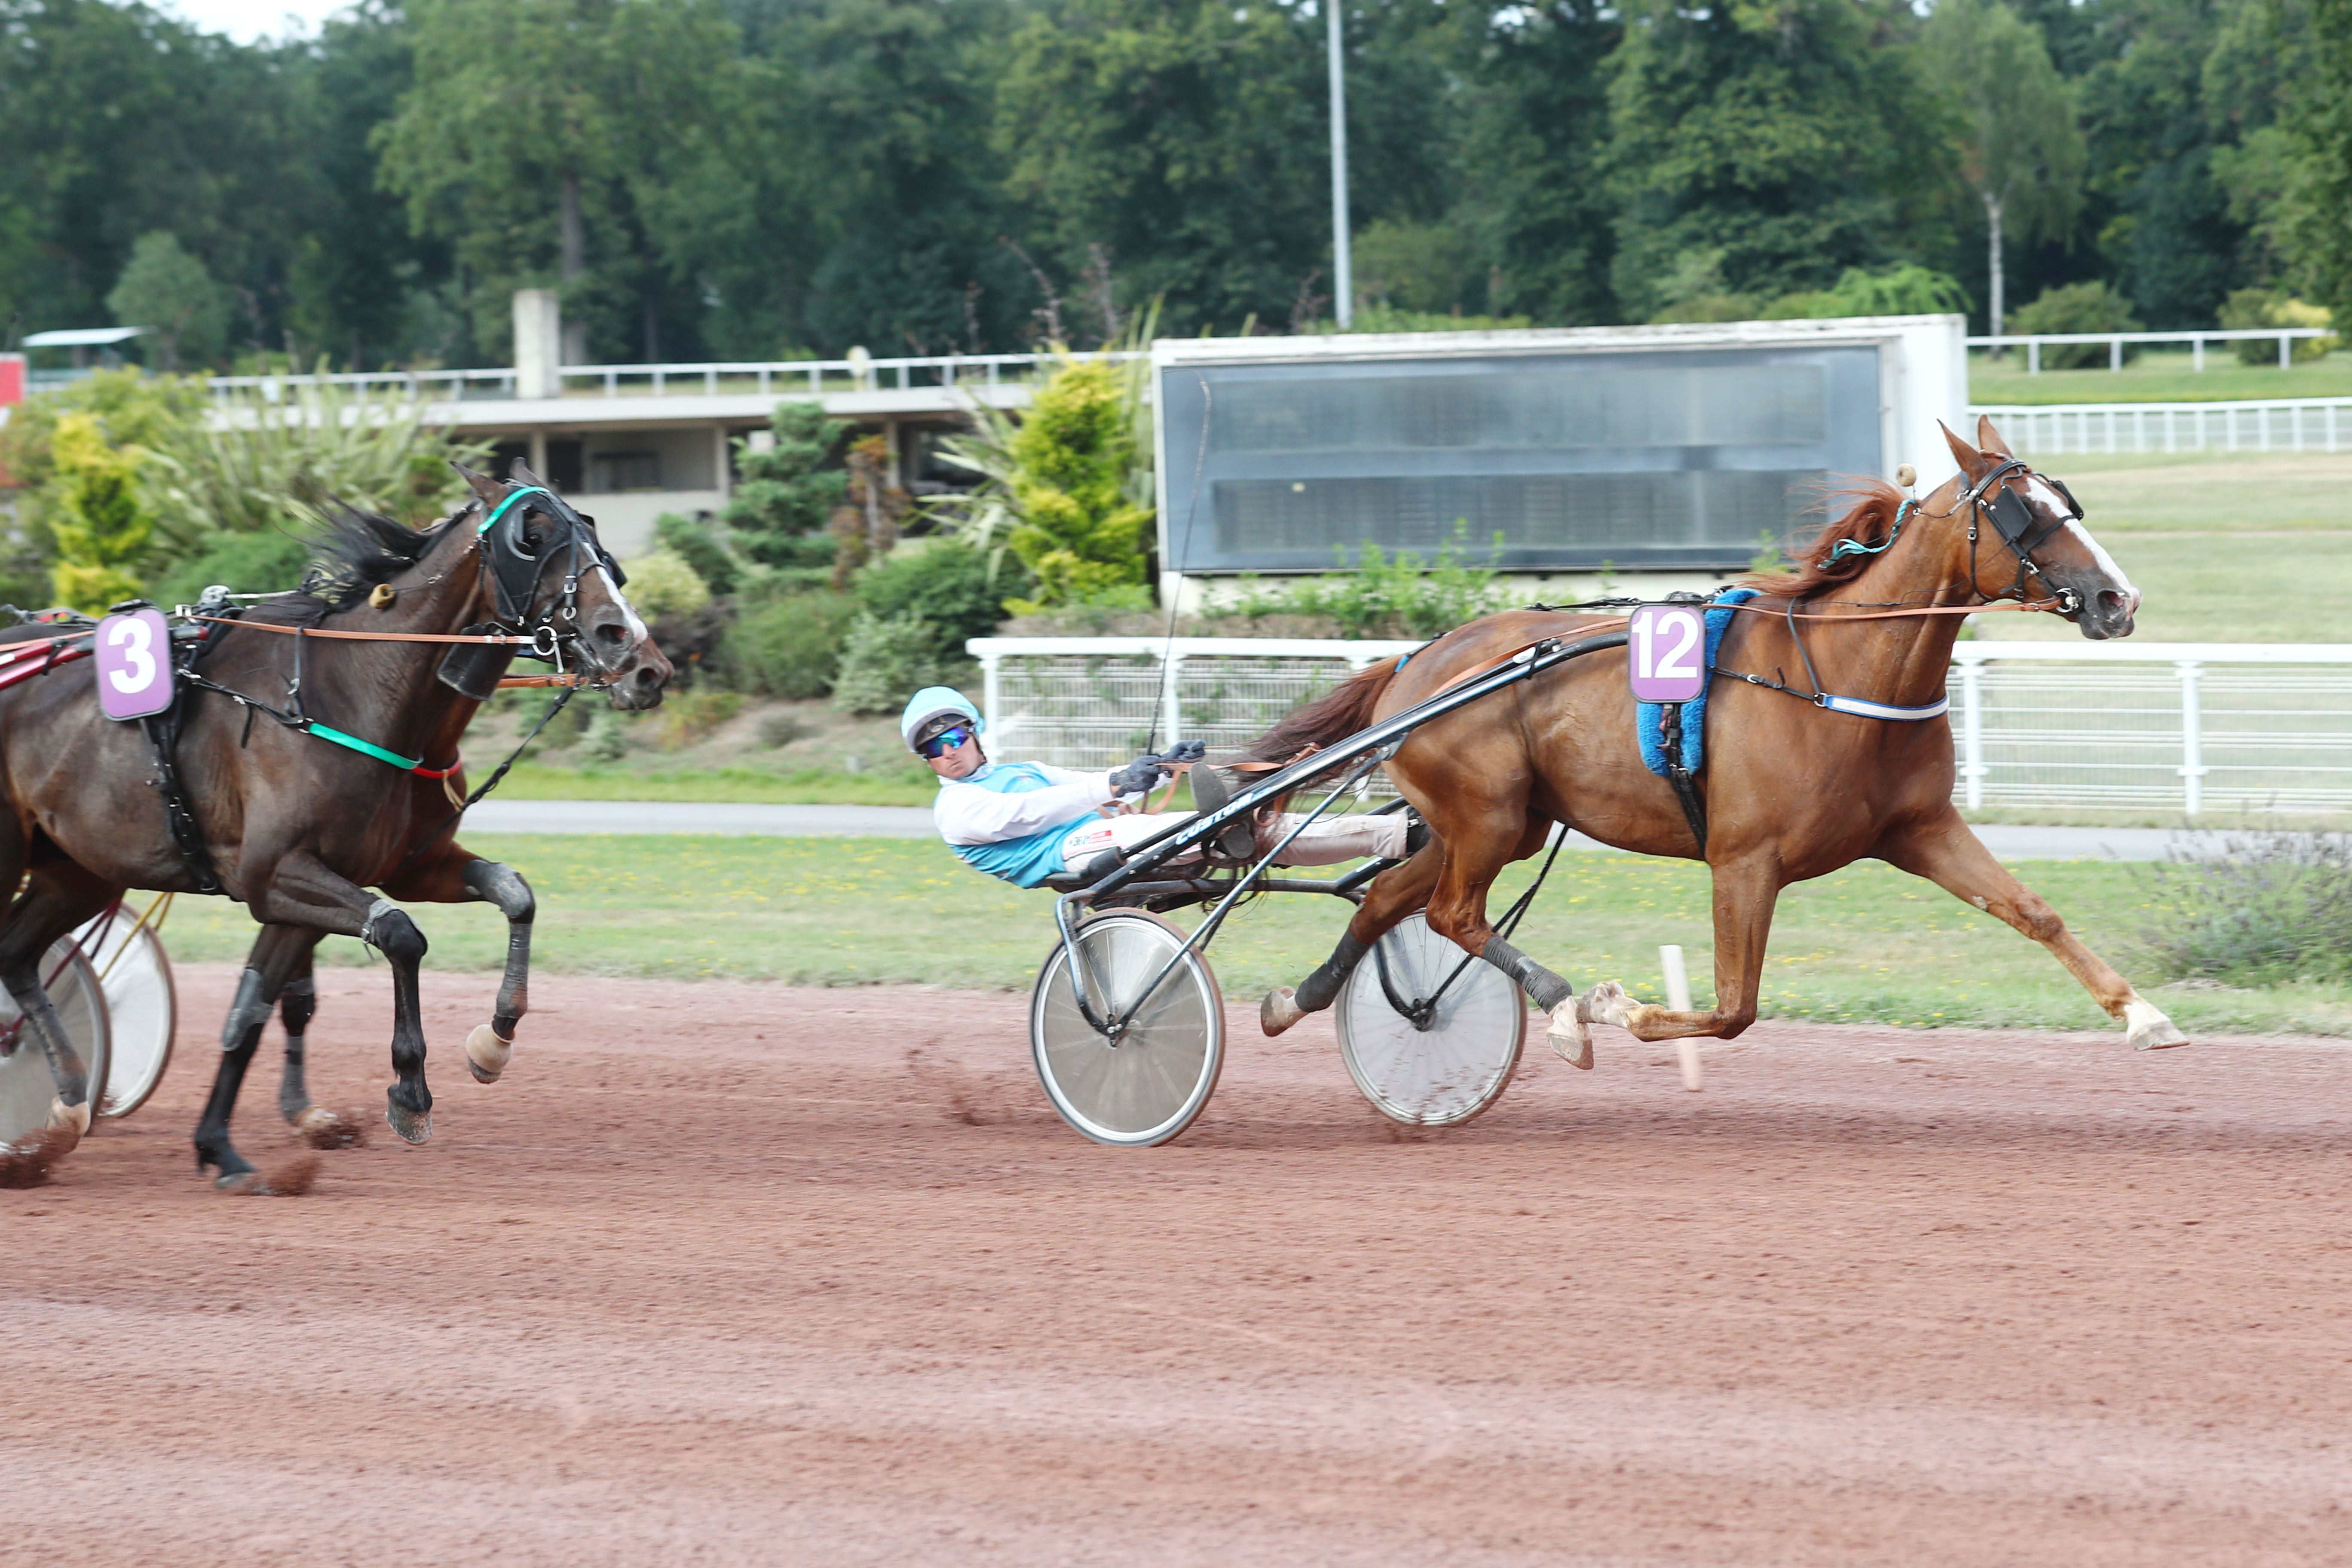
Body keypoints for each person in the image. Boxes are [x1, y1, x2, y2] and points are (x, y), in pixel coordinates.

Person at [901, 686, 1409, 888]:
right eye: (932, 748)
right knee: (1169, 828)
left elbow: (1088, 788)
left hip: (1102, 839)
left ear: (973, 731)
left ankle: (1392, 836)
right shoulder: (956, 808)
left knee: (1261, 828)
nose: (946, 751)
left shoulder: (1021, 768)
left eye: (952, 735)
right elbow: (1028, 816)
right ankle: (1212, 835)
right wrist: (1114, 783)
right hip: (1069, 857)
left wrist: (1161, 768)